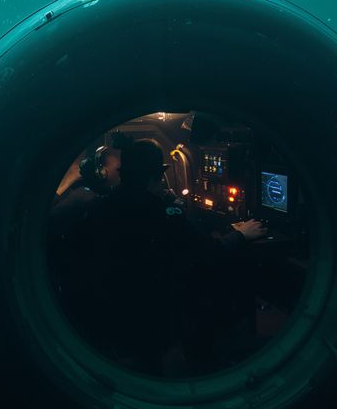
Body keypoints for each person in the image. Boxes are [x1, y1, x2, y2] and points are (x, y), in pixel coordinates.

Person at [67, 140, 266, 375]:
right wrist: (240, 234)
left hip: (112, 310)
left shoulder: (99, 207)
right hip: (153, 311)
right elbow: (206, 250)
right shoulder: (160, 214)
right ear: (156, 176)